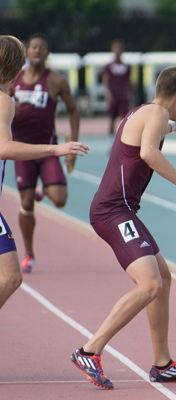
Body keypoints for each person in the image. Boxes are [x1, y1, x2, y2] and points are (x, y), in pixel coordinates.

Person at [70, 67, 176, 390]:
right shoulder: (154, 114)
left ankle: (162, 363)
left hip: (121, 211)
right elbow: (149, 153)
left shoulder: (148, 112)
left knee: (163, 279)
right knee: (150, 285)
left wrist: (175, 124)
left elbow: (148, 136)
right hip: (112, 212)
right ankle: (89, 349)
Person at [0, 35, 88, 310]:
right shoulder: (4, 101)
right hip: (31, 149)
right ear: (15, 68)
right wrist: (56, 150)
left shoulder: (53, 81)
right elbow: (3, 147)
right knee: (12, 277)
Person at [11, 33, 81, 274]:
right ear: (26, 53)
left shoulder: (55, 81)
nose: (37, 51)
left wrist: (72, 142)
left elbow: (73, 110)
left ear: (47, 53)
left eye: (42, 48)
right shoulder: (14, 80)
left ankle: (43, 190)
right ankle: (29, 253)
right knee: (26, 203)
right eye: (33, 48)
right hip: (22, 151)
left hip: (48, 149)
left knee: (60, 199)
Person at [102, 38, 132, 135]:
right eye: (116, 48)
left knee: (124, 118)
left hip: (123, 95)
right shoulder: (109, 66)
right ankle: (110, 138)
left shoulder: (127, 66)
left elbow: (129, 81)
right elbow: (105, 80)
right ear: (112, 49)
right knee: (111, 118)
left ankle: (122, 137)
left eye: (119, 48)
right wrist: (108, 93)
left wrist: (130, 95)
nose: (117, 50)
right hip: (113, 95)